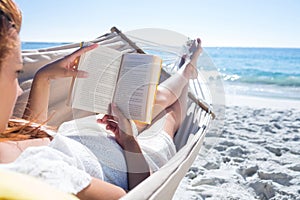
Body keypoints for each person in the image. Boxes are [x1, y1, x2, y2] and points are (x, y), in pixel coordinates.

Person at [0, 0, 203, 199]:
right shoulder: (38, 172)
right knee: (169, 116)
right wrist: (129, 141)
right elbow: (143, 193)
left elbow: (31, 136)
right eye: (17, 72)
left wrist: (43, 78)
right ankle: (187, 71)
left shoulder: (7, 142)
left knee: (151, 100)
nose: (19, 91)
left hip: (91, 134)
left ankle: (185, 71)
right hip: (131, 160)